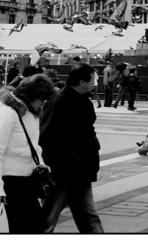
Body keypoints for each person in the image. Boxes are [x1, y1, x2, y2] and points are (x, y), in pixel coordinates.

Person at [0, 73, 57, 233]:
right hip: (9, 183)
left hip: (27, 181)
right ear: (32, 95)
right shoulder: (7, 113)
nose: (43, 104)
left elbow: (33, 145)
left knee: (34, 228)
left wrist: (41, 164)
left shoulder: (31, 112)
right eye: (42, 100)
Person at [39, 63, 105, 233]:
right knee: (47, 219)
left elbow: (88, 133)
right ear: (82, 82)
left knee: (88, 215)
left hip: (81, 170)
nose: (94, 84)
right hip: (62, 172)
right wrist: (64, 162)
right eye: (92, 80)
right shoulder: (58, 101)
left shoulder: (84, 101)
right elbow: (46, 137)